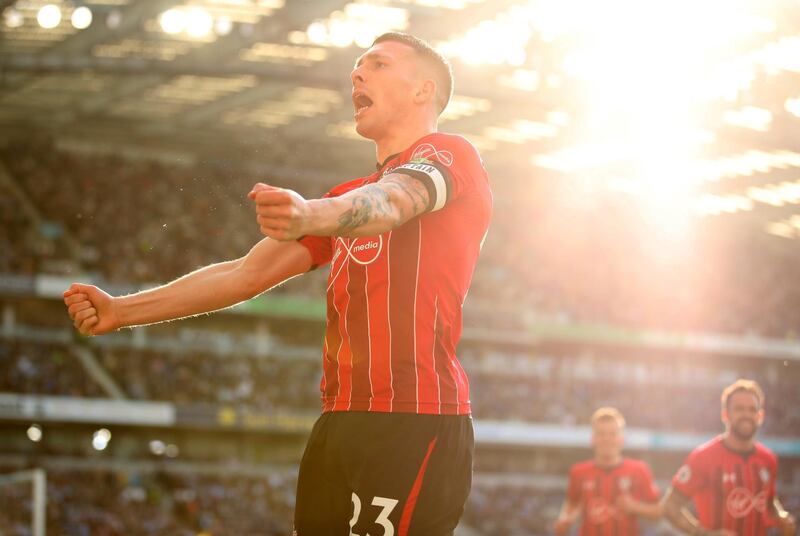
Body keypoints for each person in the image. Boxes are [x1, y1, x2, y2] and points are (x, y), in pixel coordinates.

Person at [63, 32, 492, 536]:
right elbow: (245, 273)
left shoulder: (449, 154)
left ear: (423, 90)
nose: (357, 74)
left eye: (376, 64)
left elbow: (395, 202)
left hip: (411, 417)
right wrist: (122, 310)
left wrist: (310, 212)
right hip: (338, 419)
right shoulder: (348, 196)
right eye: (357, 66)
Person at [662, 379, 797, 536]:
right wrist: (702, 533)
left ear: (760, 416)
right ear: (725, 414)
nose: (746, 414)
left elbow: (768, 501)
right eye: (739, 409)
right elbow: (669, 506)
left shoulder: (768, 459)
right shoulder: (703, 457)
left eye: (752, 409)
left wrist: (781, 516)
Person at [554, 407, 662, 536]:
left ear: (622, 439)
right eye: (601, 433)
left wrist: (634, 507)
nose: (607, 438)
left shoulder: (639, 470)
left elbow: (659, 513)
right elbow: (571, 504)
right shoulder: (578, 472)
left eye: (613, 434)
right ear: (593, 438)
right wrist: (564, 520)